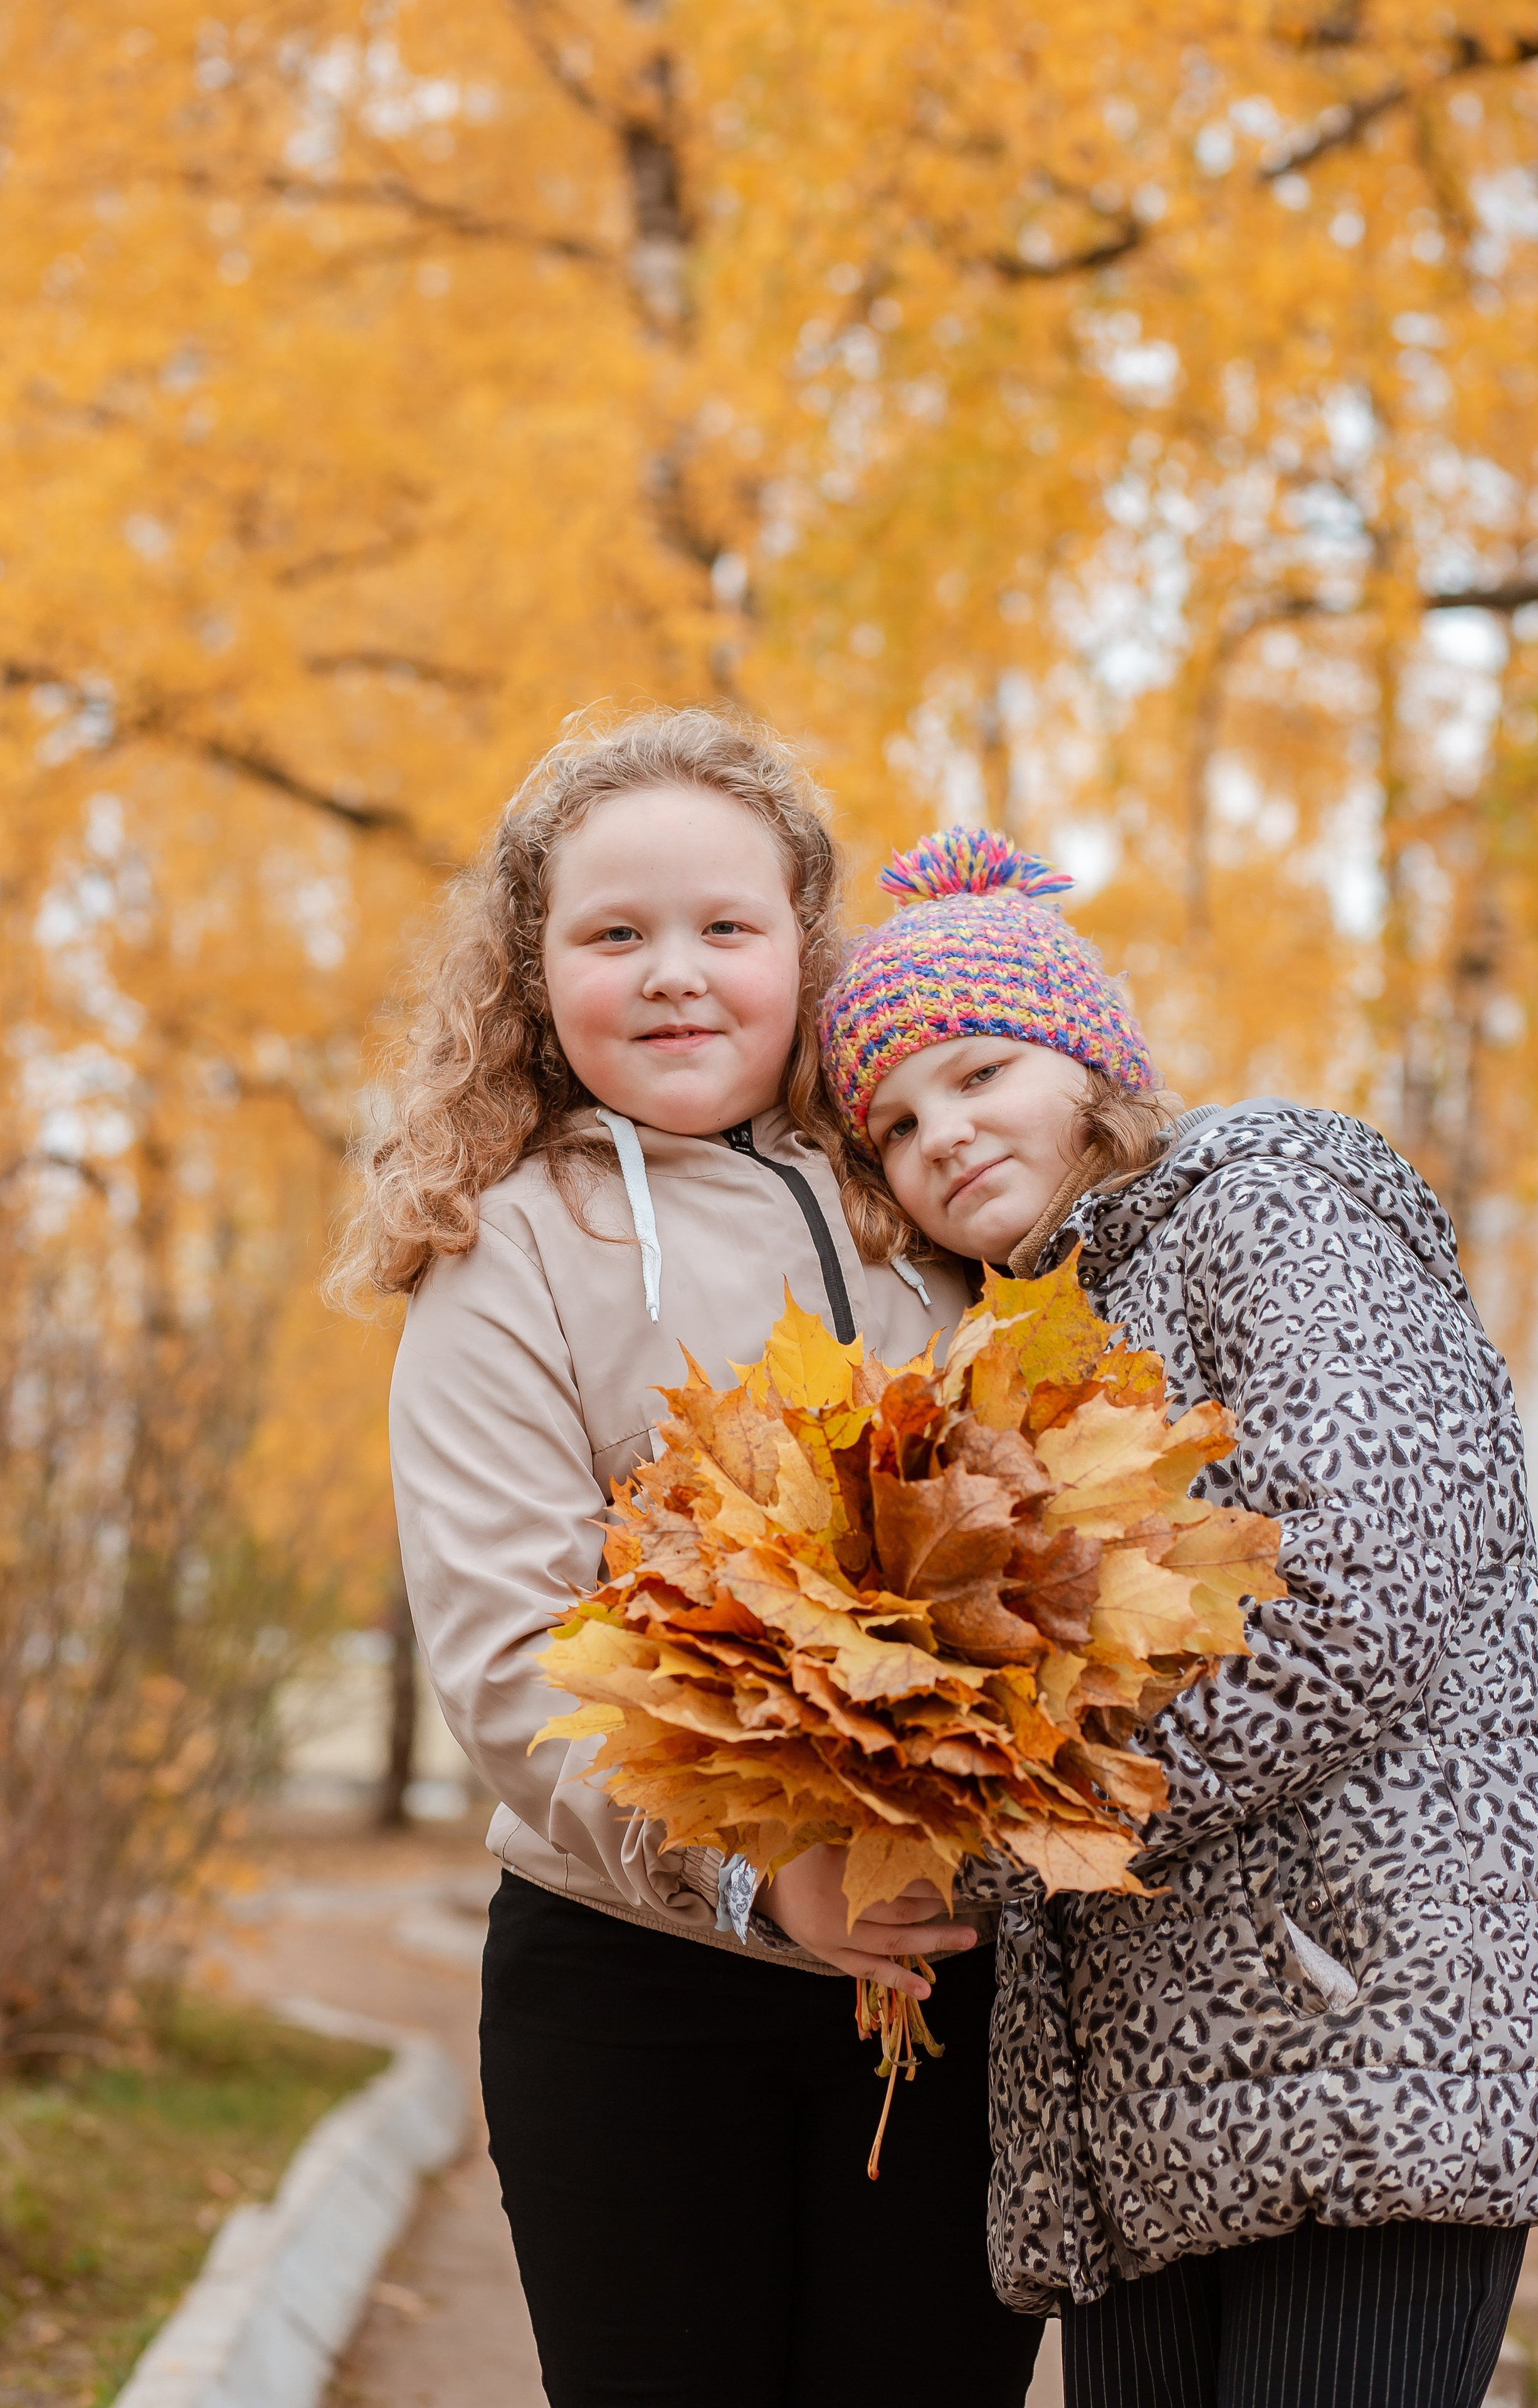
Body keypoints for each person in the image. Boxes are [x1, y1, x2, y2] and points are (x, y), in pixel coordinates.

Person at [814, 824, 1538, 2408]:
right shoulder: (1026, 1347)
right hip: (1155, 2093)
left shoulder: (1270, 1208)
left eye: (978, 1074)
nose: (943, 1136)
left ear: (1089, 1059)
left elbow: (1356, 1587)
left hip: (1364, 2026)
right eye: (895, 1125)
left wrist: (1037, 1808)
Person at [330, 724, 1045, 2408]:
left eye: (726, 930)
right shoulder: (500, 1249)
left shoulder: (925, 1199)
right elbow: (517, 1662)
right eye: (613, 935)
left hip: (947, 1988)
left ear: (807, 947)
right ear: (534, 971)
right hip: (634, 1992)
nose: (674, 977)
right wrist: (759, 1875)